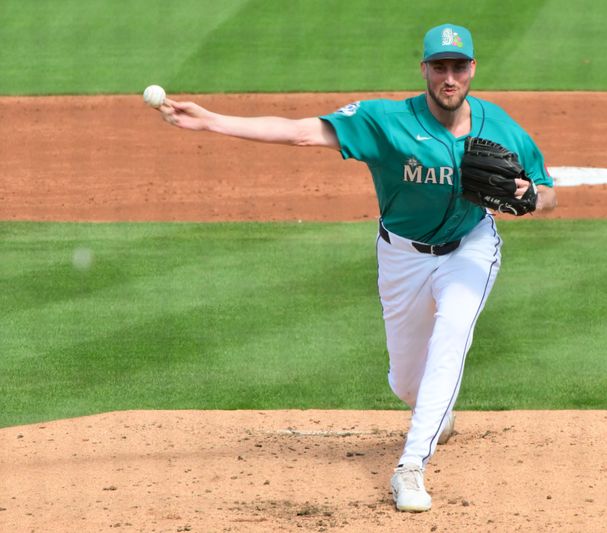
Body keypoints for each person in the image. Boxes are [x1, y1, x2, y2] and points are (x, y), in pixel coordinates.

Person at [154, 23, 557, 512]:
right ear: (424, 70)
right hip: (402, 257)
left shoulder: (499, 125)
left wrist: (534, 196)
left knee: (453, 330)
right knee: (407, 381)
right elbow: (302, 133)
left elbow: (545, 189)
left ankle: (410, 467)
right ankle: (435, 413)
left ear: (472, 69)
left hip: (470, 247)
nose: (449, 78)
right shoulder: (385, 121)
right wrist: (211, 120)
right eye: (439, 67)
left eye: (458, 67)